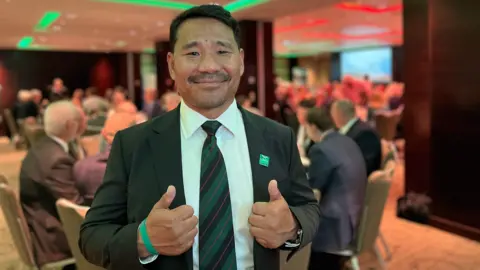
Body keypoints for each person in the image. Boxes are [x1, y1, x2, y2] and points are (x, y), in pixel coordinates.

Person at [79, 5, 319, 270]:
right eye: (193, 53)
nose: (208, 66)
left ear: (240, 61)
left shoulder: (277, 137)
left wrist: (292, 226)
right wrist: (144, 239)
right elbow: (92, 235)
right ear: (171, 65)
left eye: (222, 51)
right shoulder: (133, 144)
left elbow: (309, 208)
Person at [19, 101, 85, 267]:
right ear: (71, 125)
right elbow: (75, 207)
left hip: (41, 228)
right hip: (55, 240)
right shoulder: (57, 160)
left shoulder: (41, 147)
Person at [304, 107, 367, 270]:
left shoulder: (320, 150)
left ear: (312, 126)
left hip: (331, 229)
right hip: (352, 219)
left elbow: (311, 192)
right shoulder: (347, 141)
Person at [330, 99, 382, 176]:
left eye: (332, 114)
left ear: (339, 114)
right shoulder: (347, 130)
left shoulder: (365, 133)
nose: (332, 118)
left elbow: (365, 166)